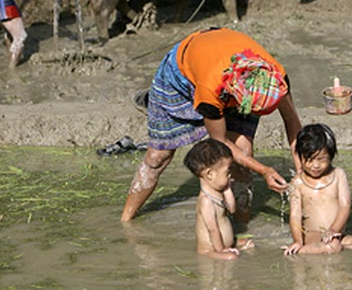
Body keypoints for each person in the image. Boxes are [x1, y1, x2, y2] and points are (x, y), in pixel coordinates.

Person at [121, 27, 303, 223]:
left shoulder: (276, 78)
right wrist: (264, 170)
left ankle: (243, 227)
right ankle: (126, 221)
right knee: (158, 157)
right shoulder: (211, 90)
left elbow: (292, 122)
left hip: (229, 74)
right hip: (183, 75)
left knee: (244, 150)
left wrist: (302, 173)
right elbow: (220, 144)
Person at [283, 123, 352, 255]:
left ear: (331, 156)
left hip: (335, 233)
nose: (316, 165)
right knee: (332, 247)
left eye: (321, 159)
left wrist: (333, 230)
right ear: (300, 157)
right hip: (313, 235)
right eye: (309, 160)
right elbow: (295, 216)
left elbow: (345, 206)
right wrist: (298, 240)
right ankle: (300, 251)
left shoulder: (338, 175)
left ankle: (327, 248)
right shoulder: (298, 182)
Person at [184, 138, 255, 260]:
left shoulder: (219, 191)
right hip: (210, 250)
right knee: (231, 258)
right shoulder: (206, 201)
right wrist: (222, 250)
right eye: (227, 173)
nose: (230, 175)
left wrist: (227, 189)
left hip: (224, 244)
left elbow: (232, 210)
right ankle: (227, 250)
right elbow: (213, 230)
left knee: (249, 243)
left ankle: (232, 245)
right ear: (210, 174)